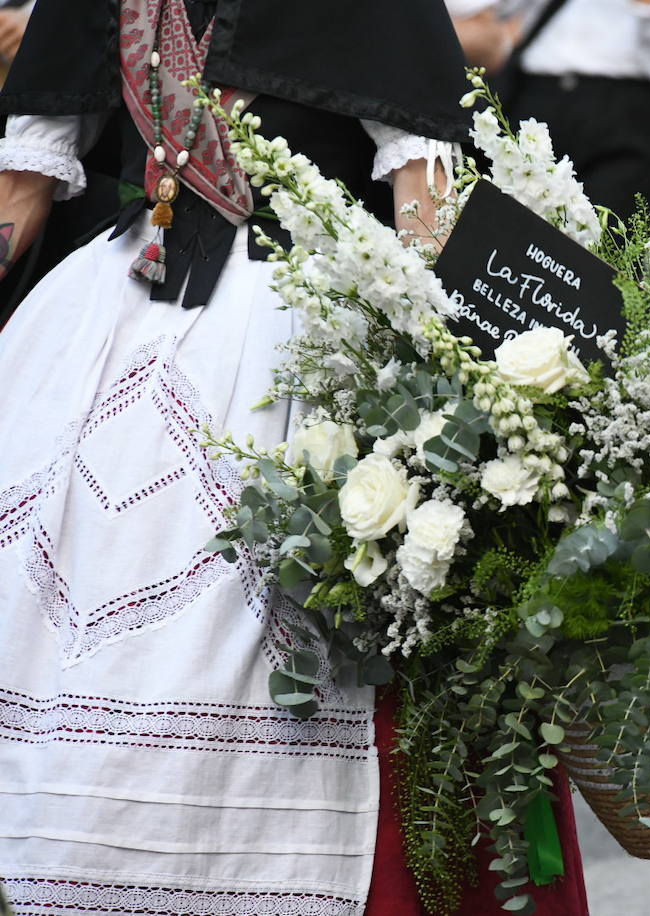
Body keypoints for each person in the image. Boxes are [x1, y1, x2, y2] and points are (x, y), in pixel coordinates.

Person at [0, 1, 588, 913]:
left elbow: (424, 206)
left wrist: (470, 399)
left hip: (298, 340)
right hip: (110, 321)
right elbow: (18, 190)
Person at [451, 0, 650, 225]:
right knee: (509, 237)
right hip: (536, 94)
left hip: (628, 107)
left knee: (610, 250)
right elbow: (467, 10)